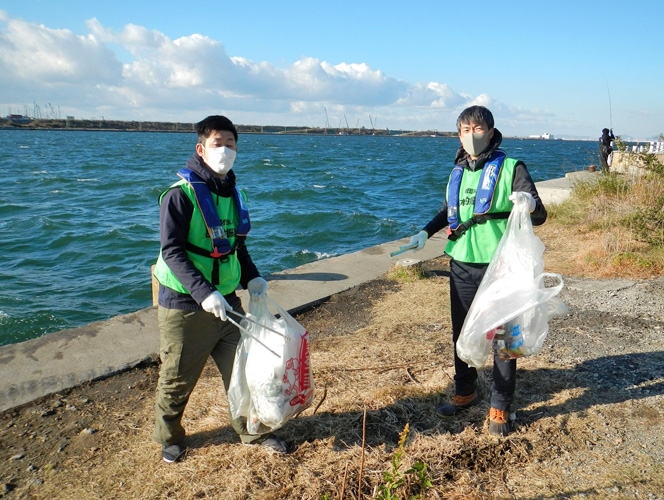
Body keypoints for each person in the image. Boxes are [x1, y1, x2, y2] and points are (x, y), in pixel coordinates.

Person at [152, 115, 289, 463]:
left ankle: (252, 433)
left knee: (244, 372)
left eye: (231, 144)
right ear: (201, 149)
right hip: (185, 306)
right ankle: (170, 436)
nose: (225, 151)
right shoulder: (179, 196)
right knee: (176, 379)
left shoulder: (234, 195)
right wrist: (202, 292)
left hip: (228, 302)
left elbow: (236, 248)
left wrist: (252, 278)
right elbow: (173, 252)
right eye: (218, 143)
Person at [408, 106, 547, 437]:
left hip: (501, 268)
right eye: (464, 130)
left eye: (477, 128)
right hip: (461, 264)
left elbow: (539, 213)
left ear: (491, 131)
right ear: (459, 135)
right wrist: (425, 232)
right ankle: (465, 390)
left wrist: (526, 204)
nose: (471, 135)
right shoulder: (457, 171)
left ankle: (500, 403)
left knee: (504, 337)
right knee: (463, 332)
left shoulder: (512, 168)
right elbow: (449, 210)